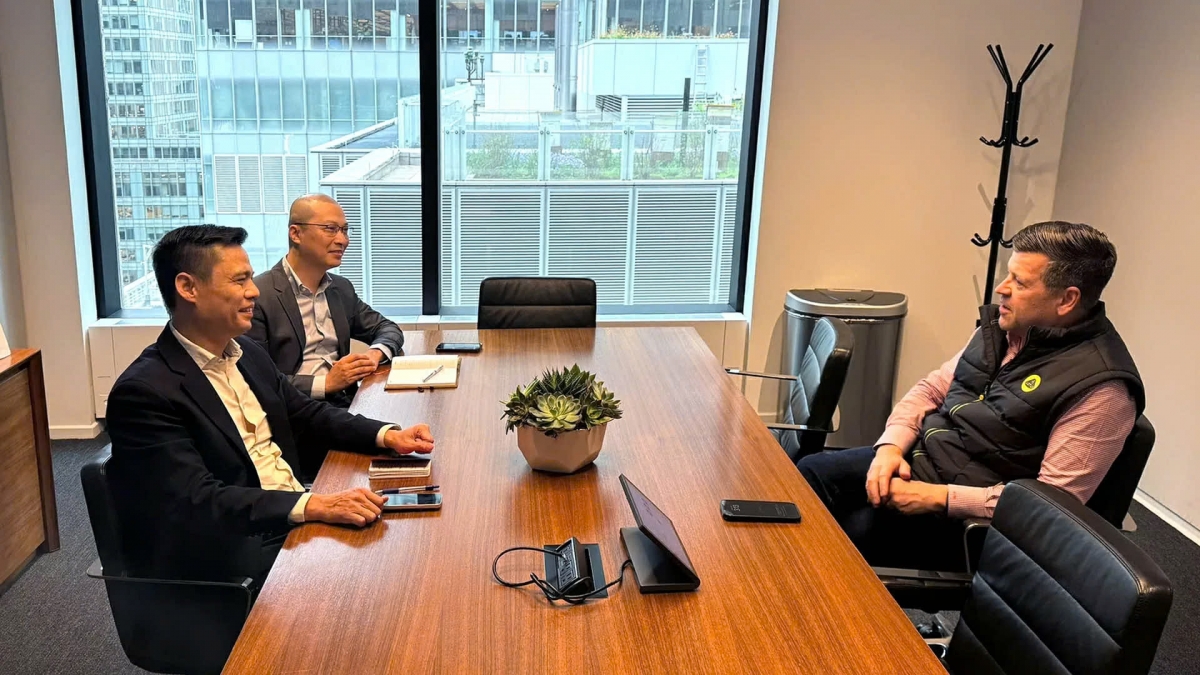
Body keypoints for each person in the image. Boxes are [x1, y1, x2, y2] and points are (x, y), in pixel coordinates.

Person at [797, 221, 1144, 571]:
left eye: (1019, 282)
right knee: (809, 475)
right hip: (924, 462)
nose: (1001, 289)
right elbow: (931, 389)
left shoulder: (1103, 389)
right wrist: (889, 448)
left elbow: (1050, 505)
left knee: (840, 537)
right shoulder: (1003, 330)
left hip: (973, 527)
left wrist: (940, 498)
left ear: (1067, 299)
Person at [105, 225, 435, 584]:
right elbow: (196, 500)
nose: (254, 291)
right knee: (389, 582)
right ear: (188, 288)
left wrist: (387, 436)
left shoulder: (248, 354)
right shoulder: (144, 392)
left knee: (415, 550)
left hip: (288, 516)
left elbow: (307, 415)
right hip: (236, 555)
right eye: (239, 280)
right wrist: (314, 505)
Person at [247, 193, 403, 411]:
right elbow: (255, 378)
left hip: (344, 405)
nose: (343, 240)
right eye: (330, 229)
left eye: (345, 230)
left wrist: (374, 354)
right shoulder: (257, 295)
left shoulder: (340, 289)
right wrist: (326, 383)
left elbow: (387, 328)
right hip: (293, 414)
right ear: (296, 233)